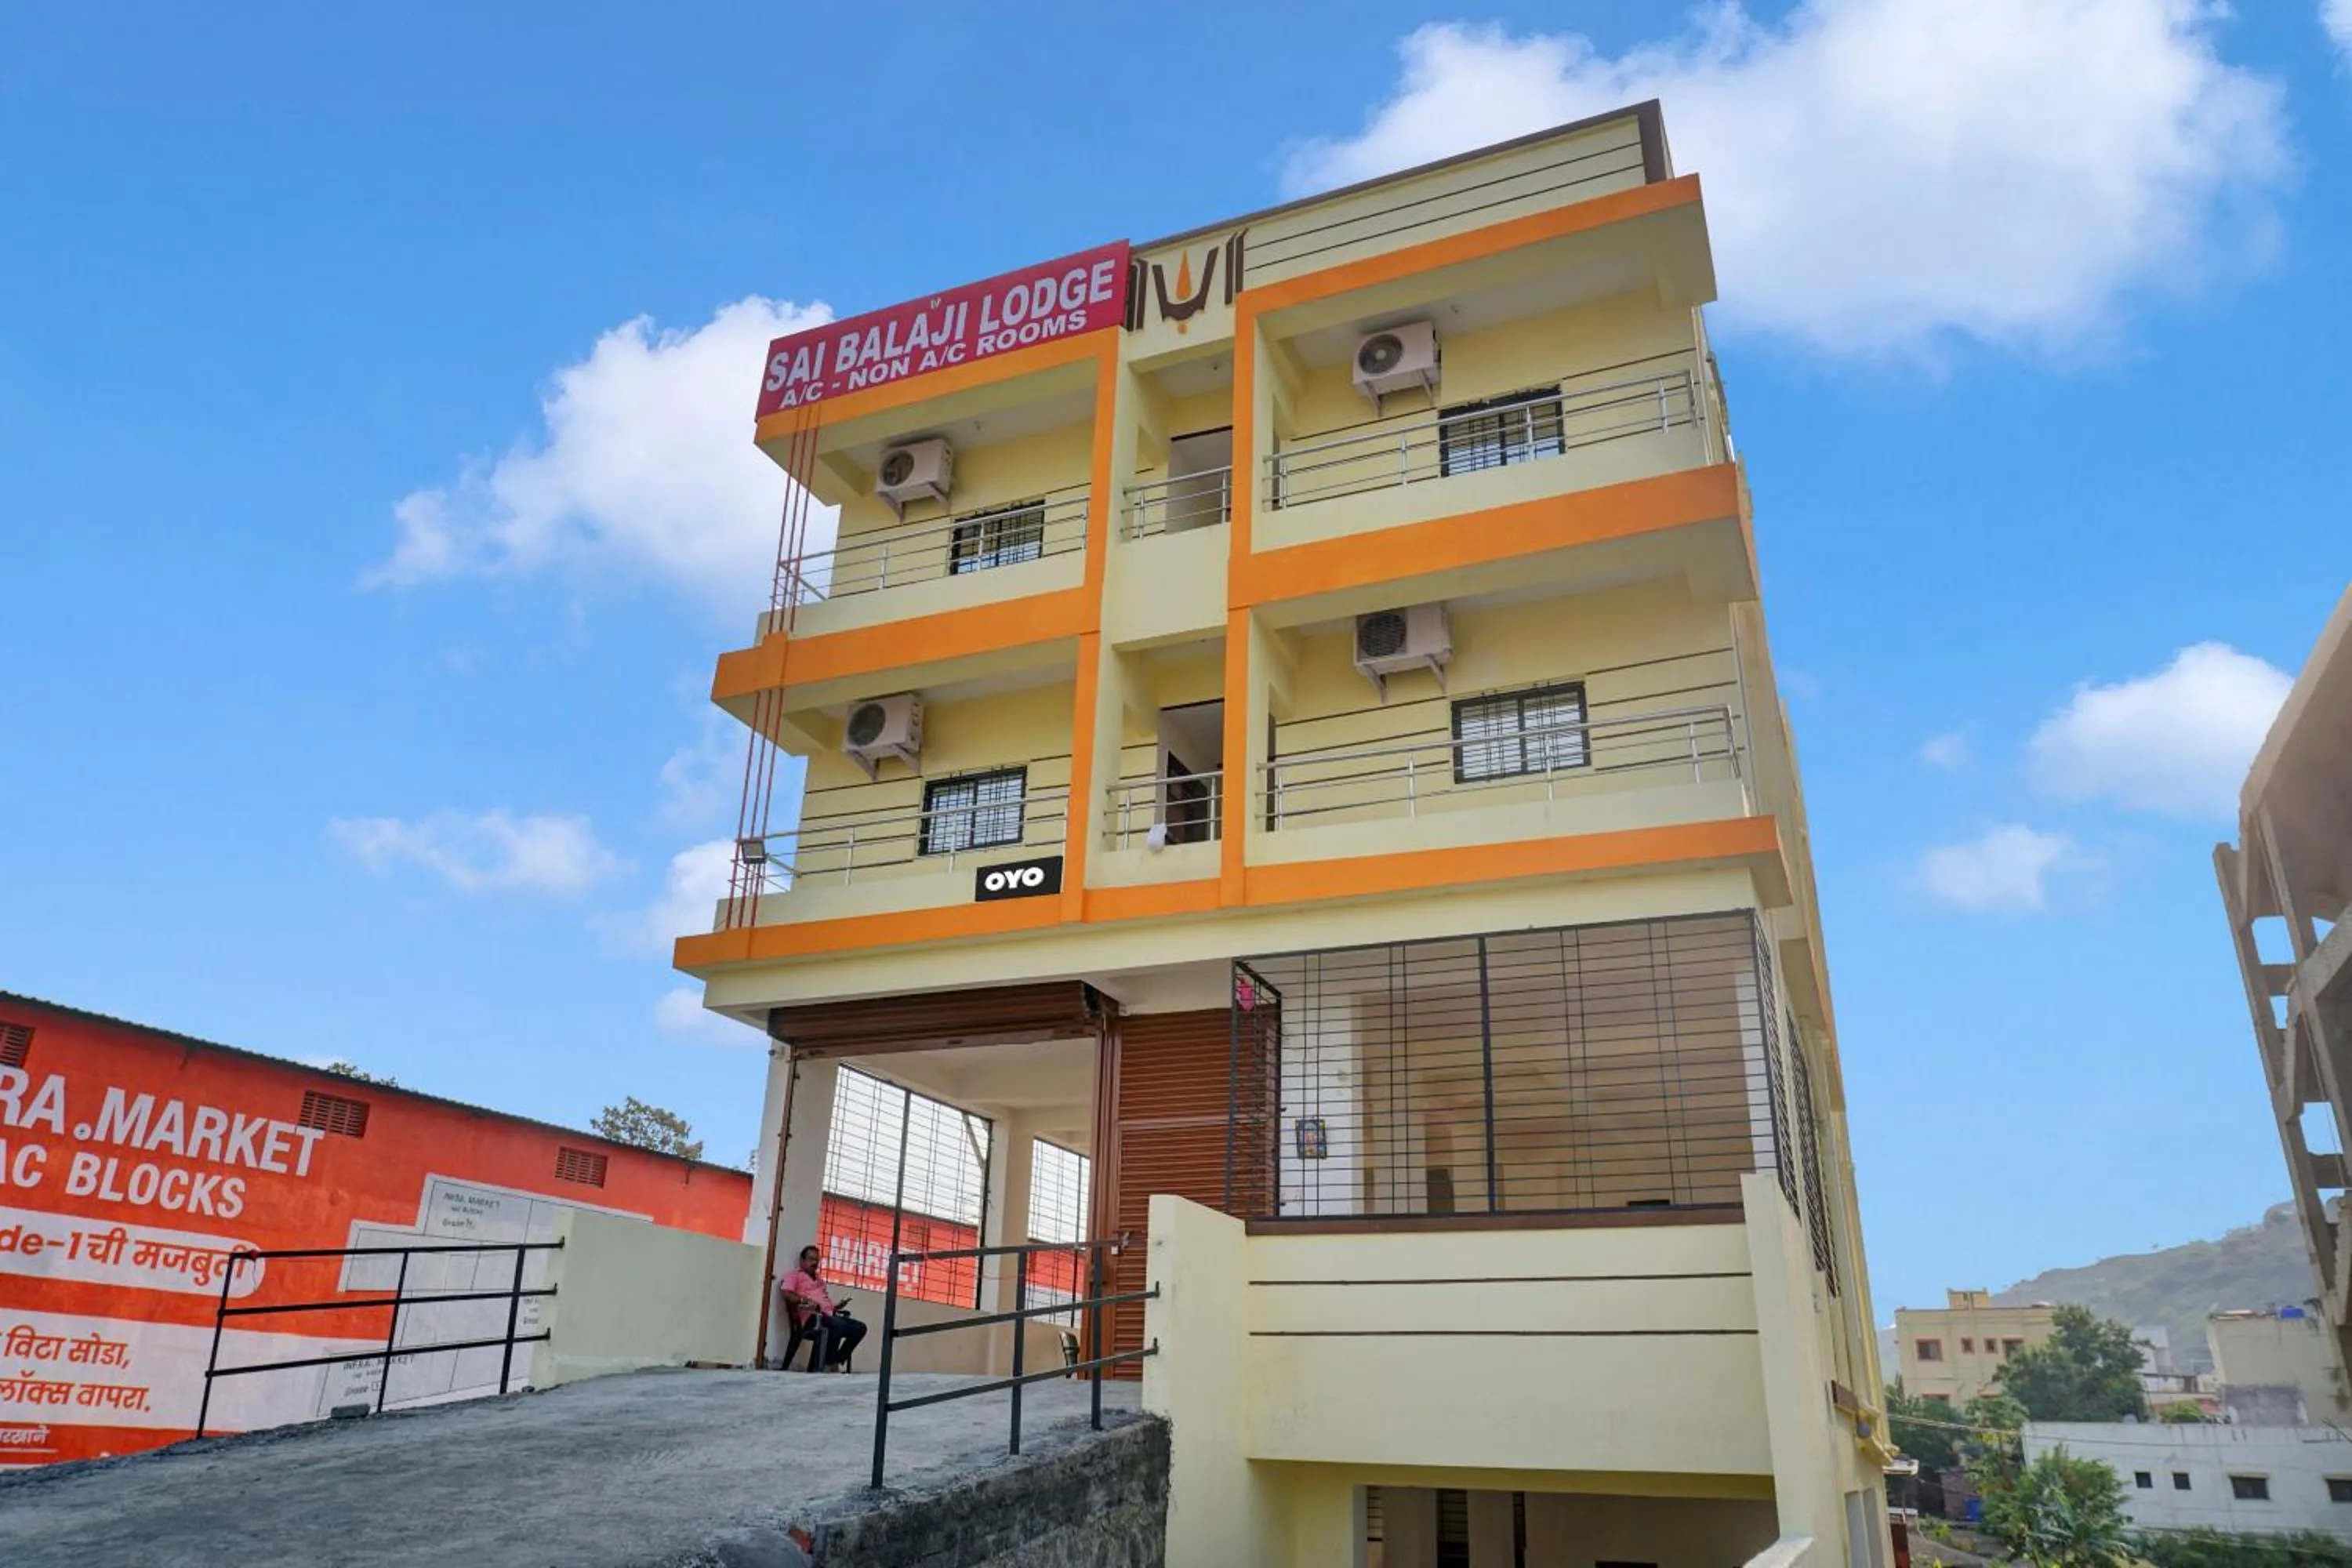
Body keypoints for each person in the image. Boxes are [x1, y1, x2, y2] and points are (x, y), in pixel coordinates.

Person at [779, 1244, 865, 1370]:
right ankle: (828, 1362)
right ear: (802, 1260)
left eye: (817, 1260)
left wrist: (836, 1307)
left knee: (860, 1328)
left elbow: (824, 1301)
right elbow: (786, 1292)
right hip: (811, 1318)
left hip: (829, 1315)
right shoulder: (795, 1275)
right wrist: (804, 1300)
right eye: (811, 1259)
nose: (814, 1263)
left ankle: (836, 1360)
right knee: (838, 1325)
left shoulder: (819, 1278)